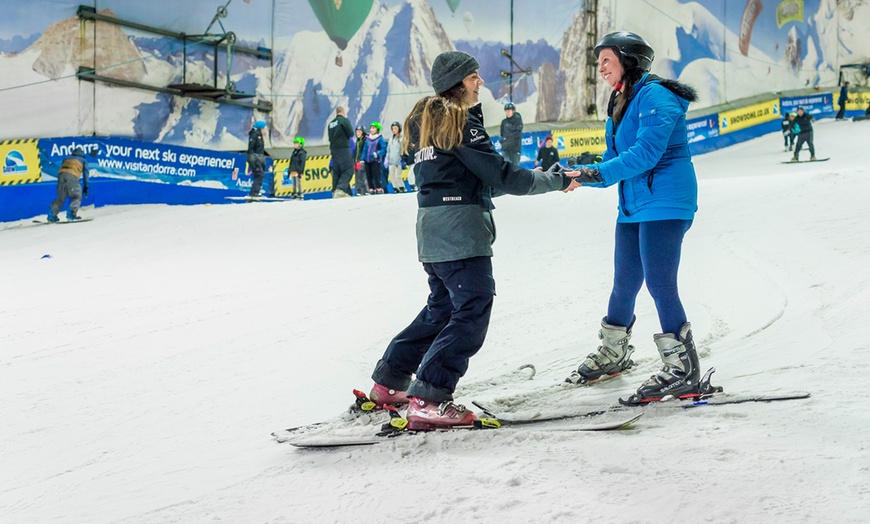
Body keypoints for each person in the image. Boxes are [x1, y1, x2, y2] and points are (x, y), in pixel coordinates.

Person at [366, 50, 580, 430]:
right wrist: (556, 180)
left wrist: (541, 178)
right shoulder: (459, 119)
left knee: (442, 309)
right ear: (456, 83)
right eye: (473, 77)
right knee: (472, 308)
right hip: (460, 233)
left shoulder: (429, 121)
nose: (480, 82)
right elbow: (503, 177)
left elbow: (469, 182)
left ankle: (389, 381)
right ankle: (429, 397)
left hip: (432, 229)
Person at [564, 31, 704, 405]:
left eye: (605, 61)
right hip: (633, 203)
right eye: (599, 63)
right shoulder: (619, 100)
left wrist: (597, 173)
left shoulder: (656, 96)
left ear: (629, 60)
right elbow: (616, 159)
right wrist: (584, 174)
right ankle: (615, 351)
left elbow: (645, 154)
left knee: (660, 282)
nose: (601, 69)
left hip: (666, 199)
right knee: (624, 281)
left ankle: (683, 368)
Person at [48, 147, 89, 222]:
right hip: (71, 176)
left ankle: (51, 215)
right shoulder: (83, 160)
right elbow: (86, 175)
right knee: (76, 196)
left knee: (61, 197)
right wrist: (86, 187)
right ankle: (71, 215)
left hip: (61, 176)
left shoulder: (66, 158)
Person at [327, 106, 355, 197]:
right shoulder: (344, 121)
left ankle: (336, 190)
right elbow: (351, 133)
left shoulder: (331, 124)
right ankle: (341, 189)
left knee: (337, 171)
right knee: (348, 169)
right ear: (343, 112)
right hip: (343, 149)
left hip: (334, 150)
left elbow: (330, 138)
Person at [362, 122, 387, 195]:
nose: (371, 129)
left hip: (375, 160)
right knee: (368, 175)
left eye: (373, 128)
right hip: (367, 160)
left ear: (377, 129)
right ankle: (371, 188)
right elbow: (364, 150)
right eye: (371, 128)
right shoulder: (368, 139)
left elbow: (384, 149)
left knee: (375, 175)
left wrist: (378, 153)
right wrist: (362, 159)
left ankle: (379, 188)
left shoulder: (380, 139)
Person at [247, 119, 267, 198]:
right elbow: (251, 148)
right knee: (259, 175)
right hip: (255, 159)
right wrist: (253, 158)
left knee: (259, 175)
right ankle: (254, 192)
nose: (265, 130)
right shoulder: (254, 135)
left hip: (258, 158)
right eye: (264, 128)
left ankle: (255, 191)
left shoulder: (259, 135)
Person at [385, 121, 406, 193]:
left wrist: (402, 159)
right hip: (391, 161)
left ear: (399, 129)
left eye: (395, 128)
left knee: (398, 176)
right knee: (392, 176)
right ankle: (395, 187)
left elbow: (403, 149)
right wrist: (386, 159)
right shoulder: (391, 139)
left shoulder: (402, 138)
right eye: (393, 129)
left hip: (398, 161)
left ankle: (402, 187)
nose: (394, 130)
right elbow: (388, 150)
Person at [351, 125, 369, 196]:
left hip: (362, 161)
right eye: (357, 132)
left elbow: (364, 151)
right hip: (357, 161)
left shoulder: (365, 140)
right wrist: (354, 160)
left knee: (363, 177)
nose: (358, 133)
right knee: (357, 177)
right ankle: (359, 191)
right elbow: (356, 152)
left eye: (359, 132)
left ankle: (365, 190)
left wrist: (362, 159)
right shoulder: (358, 141)